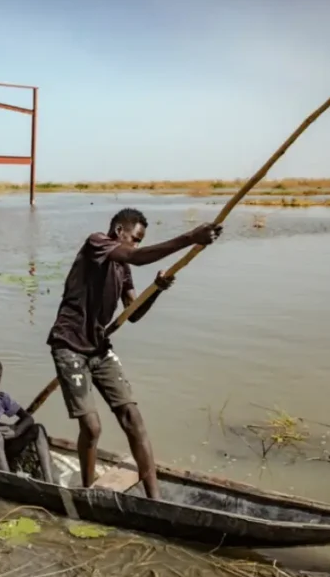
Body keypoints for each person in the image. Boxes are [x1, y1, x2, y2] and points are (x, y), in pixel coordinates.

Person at [46, 208, 222, 500]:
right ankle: (88, 494)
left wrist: (156, 290)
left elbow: (134, 312)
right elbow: (134, 257)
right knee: (91, 427)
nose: (137, 245)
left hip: (99, 348)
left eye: (140, 241)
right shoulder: (97, 244)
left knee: (132, 417)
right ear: (118, 231)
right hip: (69, 344)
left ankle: (156, 499)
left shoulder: (121, 267)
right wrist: (191, 237)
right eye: (135, 238)